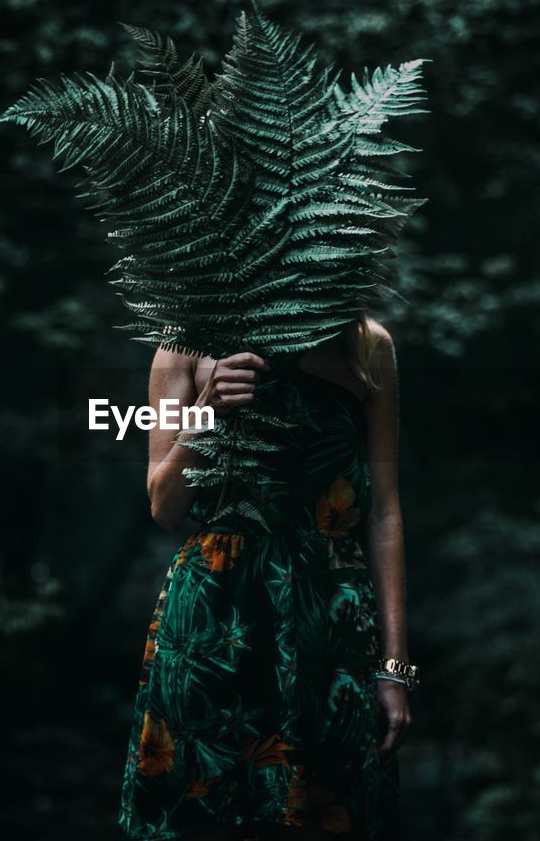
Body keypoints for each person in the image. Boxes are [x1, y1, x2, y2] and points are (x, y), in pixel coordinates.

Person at [118, 314, 414, 840]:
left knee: (329, 812)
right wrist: (208, 410)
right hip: (217, 610)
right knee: (203, 813)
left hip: (328, 613)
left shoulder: (367, 344)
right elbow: (165, 506)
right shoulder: (183, 343)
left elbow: (383, 511)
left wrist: (394, 669)